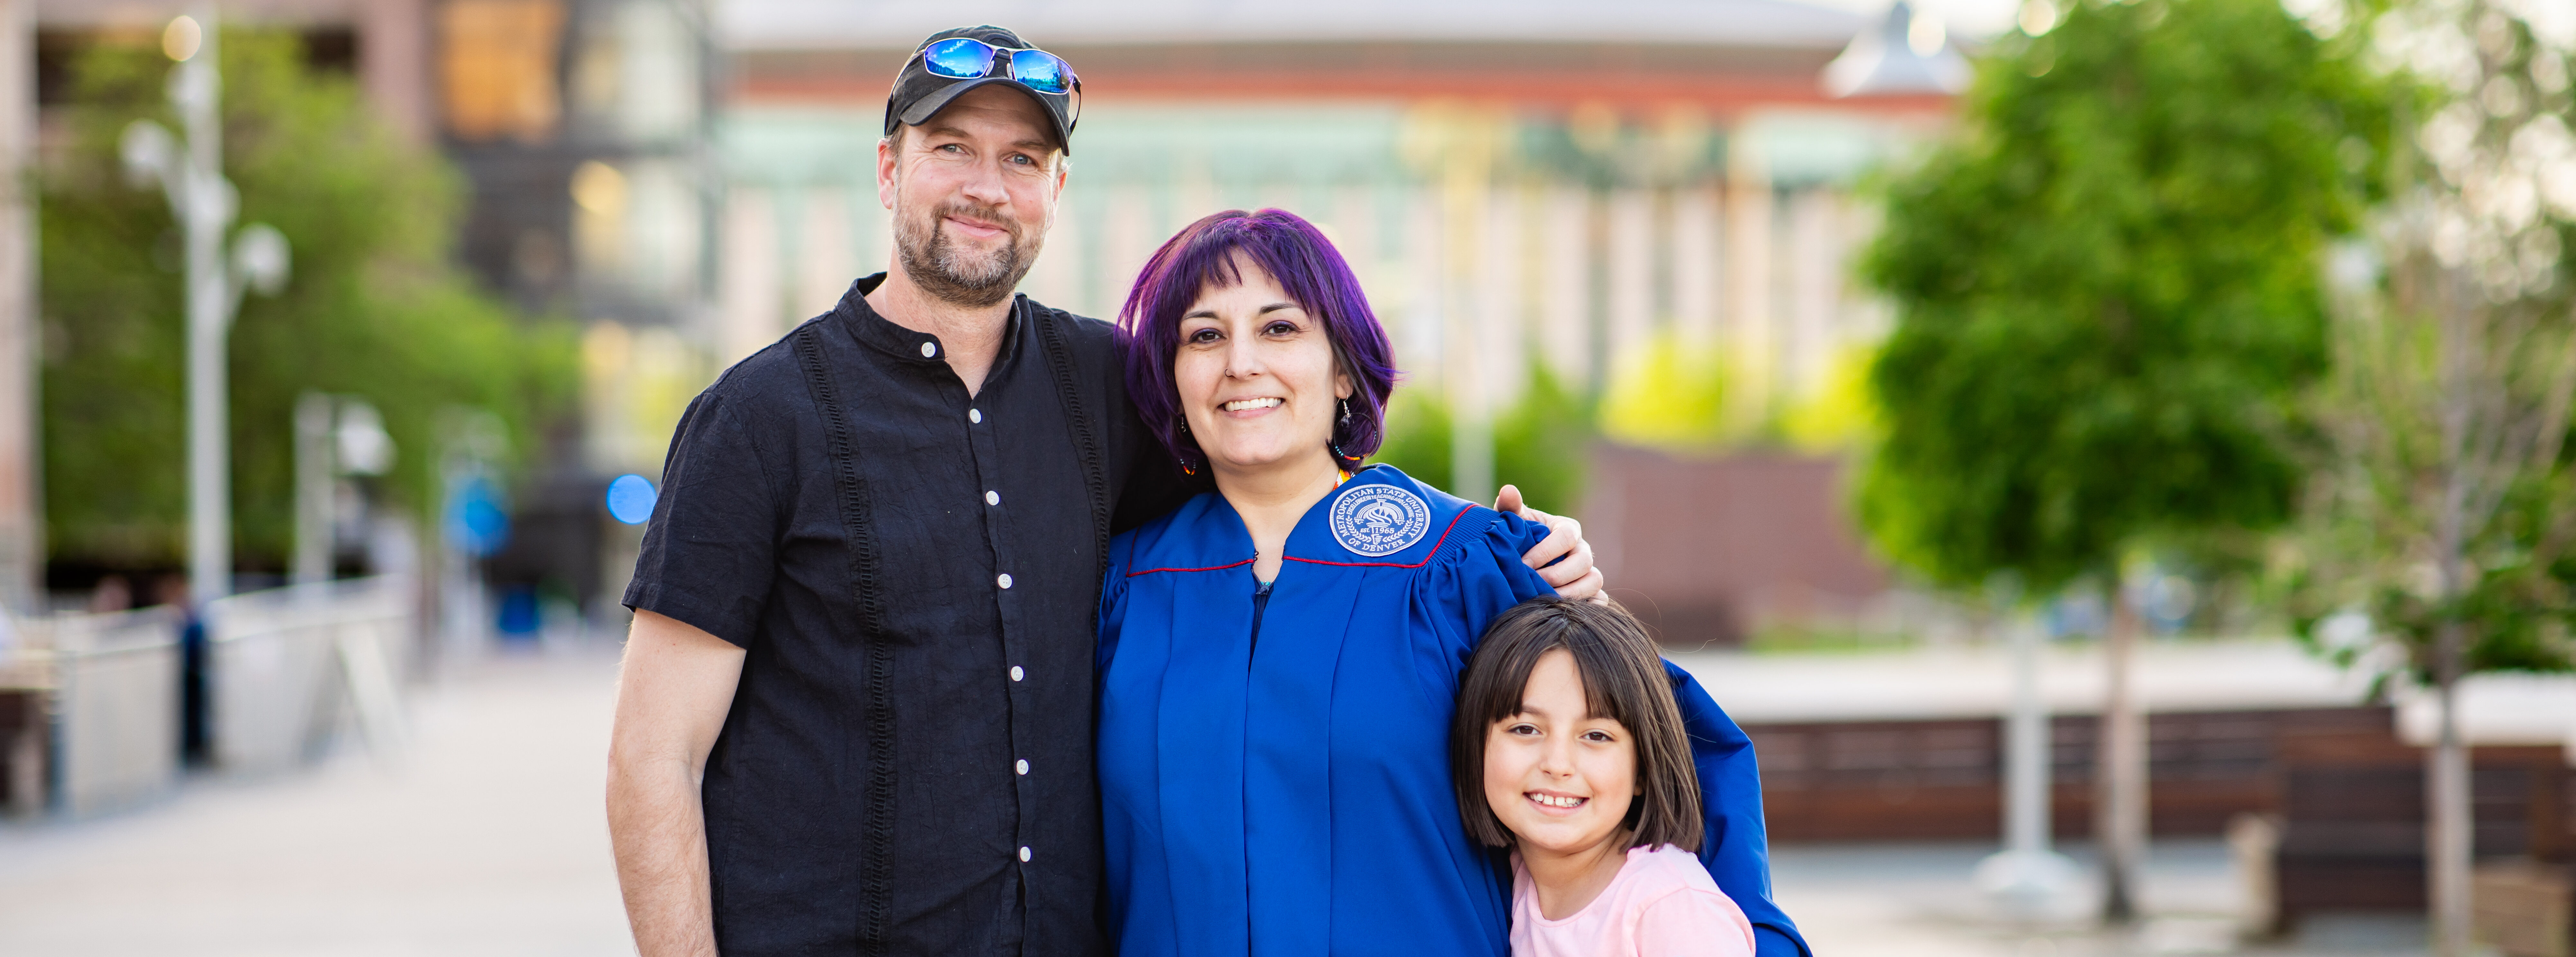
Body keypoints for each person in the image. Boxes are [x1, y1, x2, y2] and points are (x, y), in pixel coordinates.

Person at [604, 25, 1601, 957]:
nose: (985, 186)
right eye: (952, 146)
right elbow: (655, 759)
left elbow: (1282, 467)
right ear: (888, 168)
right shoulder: (760, 416)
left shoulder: (1112, 387)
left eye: (1022, 160)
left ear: (1056, 186)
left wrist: (1520, 554)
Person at [1096, 209, 1806, 957]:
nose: (1240, 362)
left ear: (1343, 368)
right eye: (1204, 335)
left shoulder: (1462, 566)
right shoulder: (1120, 587)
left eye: (1279, 329)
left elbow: (1662, 751)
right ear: (1173, 379)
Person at [1457, 598, 1756, 957]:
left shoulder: (1669, 907)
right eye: (1525, 728)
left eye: (1596, 736)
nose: (1558, 764)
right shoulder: (1513, 881)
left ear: (1643, 768)